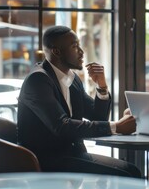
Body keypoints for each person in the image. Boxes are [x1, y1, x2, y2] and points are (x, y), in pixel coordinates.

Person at [17, 25, 141, 178]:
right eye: (75, 46)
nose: (82, 52)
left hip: (72, 154)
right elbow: (61, 126)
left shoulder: (73, 79)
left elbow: (97, 117)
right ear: (56, 51)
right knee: (130, 172)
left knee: (130, 170)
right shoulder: (38, 80)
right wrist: (117, 127)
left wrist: (101, 86)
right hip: (48, 159)